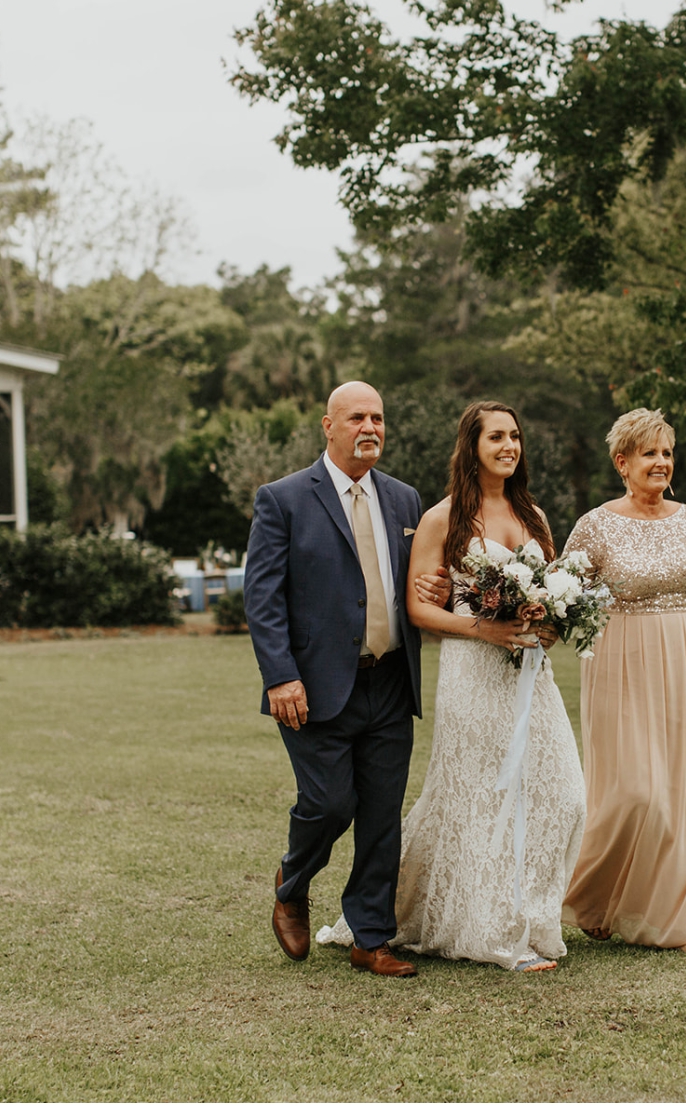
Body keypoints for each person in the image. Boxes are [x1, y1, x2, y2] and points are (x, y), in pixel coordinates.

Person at [316, 402, 586, 972]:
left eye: (515, 436)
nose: (509, 446)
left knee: (563, 794)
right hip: (472, 671)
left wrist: (553, 623)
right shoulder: (443, 518)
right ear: (472, 445)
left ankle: (530, 916)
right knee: (479, 798)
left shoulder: (534, 516)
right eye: (497, 437)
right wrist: (485, 628)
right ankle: (491, 932)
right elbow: (416, 607)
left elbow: (553, 590)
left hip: (532, 679)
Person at [244, 381, 449, 979]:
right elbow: (263, 599)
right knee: (330, 803)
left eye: (379, 417)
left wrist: (437, 590)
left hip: (389, 680)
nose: (371, 427)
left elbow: (420, 582)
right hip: (313, 686)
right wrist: (281, 676)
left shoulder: (406, 501)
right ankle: (293, 880)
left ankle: (371, 938)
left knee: (382, 815)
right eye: (357, 416)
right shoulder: (282, 499)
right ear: (327, 426)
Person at [559, 407, 686, 954]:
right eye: (649, 453)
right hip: (621, 665)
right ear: (623, 462)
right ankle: (591, 896)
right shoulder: (595, 525)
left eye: (667, 453)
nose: (661, 462)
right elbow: (561, 598)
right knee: (635, 794)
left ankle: (680, 923)